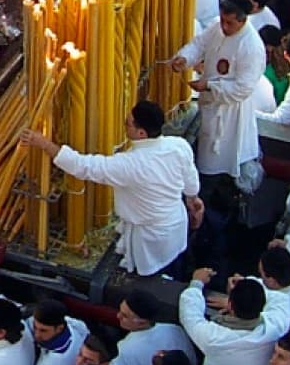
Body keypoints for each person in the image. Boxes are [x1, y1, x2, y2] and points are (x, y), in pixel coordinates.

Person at [20, 100, 201, 275]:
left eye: (128, 124)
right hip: (176, 224)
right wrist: (193, 199)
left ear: (141, 134)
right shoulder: (178, 145)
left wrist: (44, 143)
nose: (124, 126)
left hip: (150, 239)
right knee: (174, 264)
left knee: (150, 276)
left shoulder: (130, 164)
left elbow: (82, 166)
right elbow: (190, 178)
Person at [170, 0, 265, 194]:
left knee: (217, 172)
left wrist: (209, 86)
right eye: (222, 20)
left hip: (231, 115)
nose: (224, 26)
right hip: (211, 106)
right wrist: (184, 58)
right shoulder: (217, 27)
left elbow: (243, 88)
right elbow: (199, 44)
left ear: (242, 20)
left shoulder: (252, 46)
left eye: (229, 23)